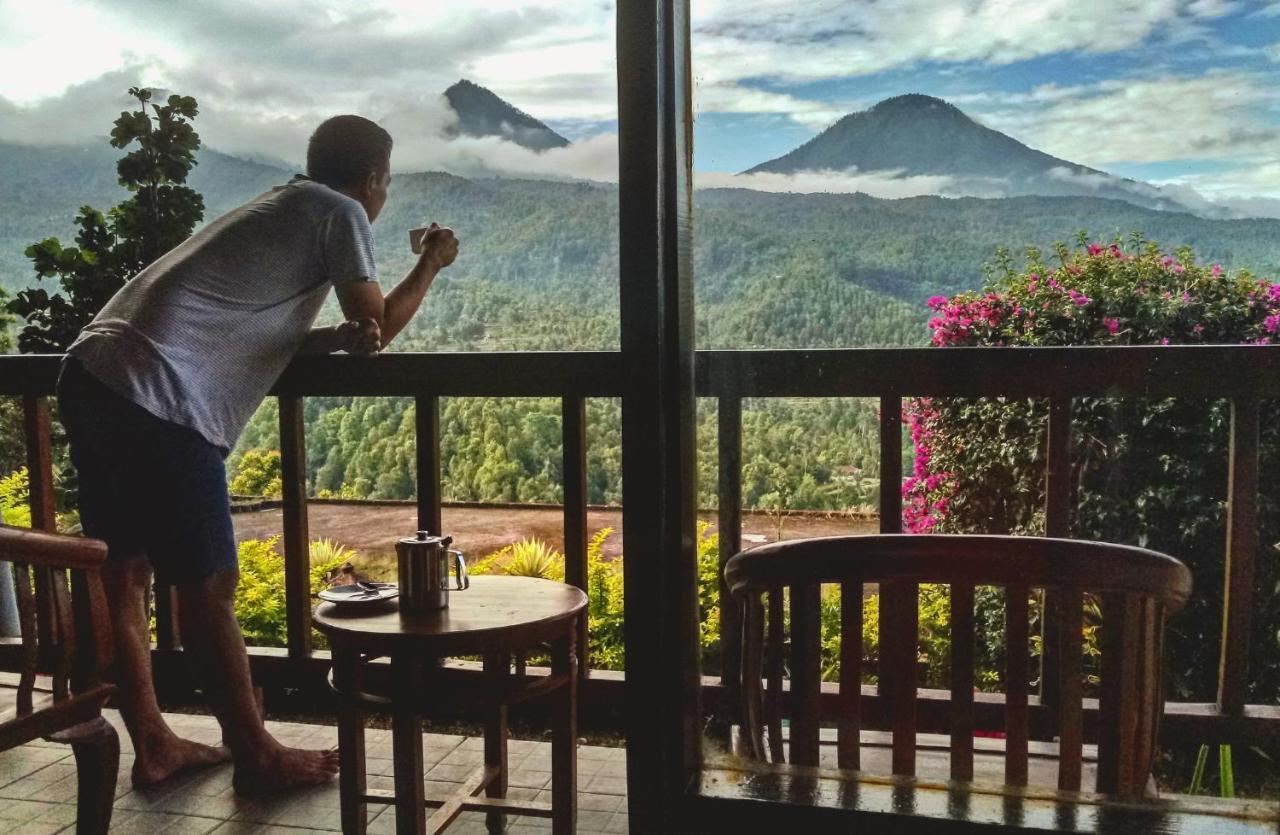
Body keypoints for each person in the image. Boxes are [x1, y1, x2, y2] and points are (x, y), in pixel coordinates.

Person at [55, 115, 458, 794]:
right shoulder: (342, 209)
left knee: (124, 573)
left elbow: (249, 324)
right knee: (208, 588)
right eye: (384, 186)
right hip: (162, 393)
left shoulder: (280, 203)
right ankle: (256, 752)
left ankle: (152, 739)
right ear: (373, 180)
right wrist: (432, 262)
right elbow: (380, 323)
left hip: (93, 372)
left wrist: (333, 338)